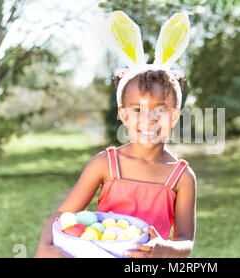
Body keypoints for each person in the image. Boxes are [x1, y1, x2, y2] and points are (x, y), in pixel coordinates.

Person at [35, 11, 196, 258]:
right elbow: (61, 215)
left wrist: (162, 249)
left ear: (174, 115)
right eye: (137, 109)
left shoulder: (182, 177)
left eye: (160, 110)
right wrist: (45, 249)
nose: (149, 119)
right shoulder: (105, 164)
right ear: (123, 115)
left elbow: (185, 242)